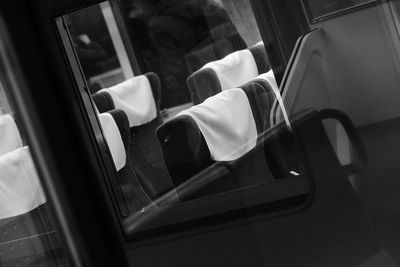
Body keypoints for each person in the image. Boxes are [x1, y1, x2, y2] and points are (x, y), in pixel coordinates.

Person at [131, 0, 246, 108]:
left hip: (202, 92)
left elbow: (173, 72)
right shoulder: (198, 9)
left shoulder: (160, 27)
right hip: (234, 78)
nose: (135, 9)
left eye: (136, 3)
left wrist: (176, 101)